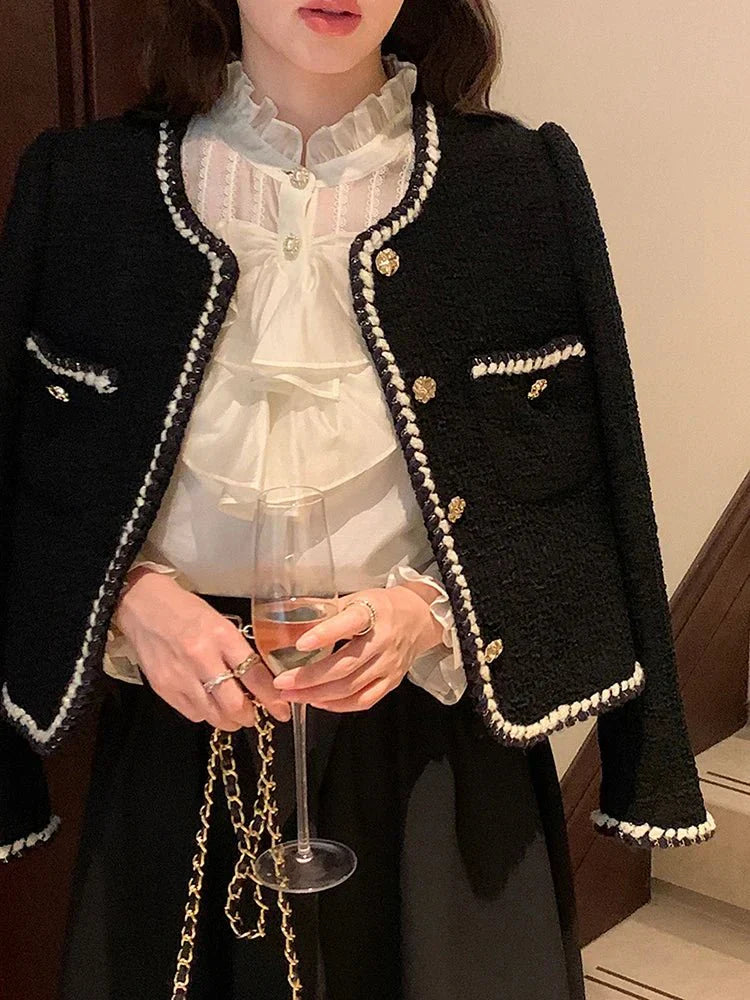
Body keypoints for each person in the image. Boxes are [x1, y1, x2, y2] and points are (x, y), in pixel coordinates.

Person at [0, 2, 715, 998]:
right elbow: (30, 489)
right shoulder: (86, 186)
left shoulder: (517, 183)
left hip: (437, 763)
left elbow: (583, 501)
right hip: (179, 740)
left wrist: (425, 614)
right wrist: (132, 602)